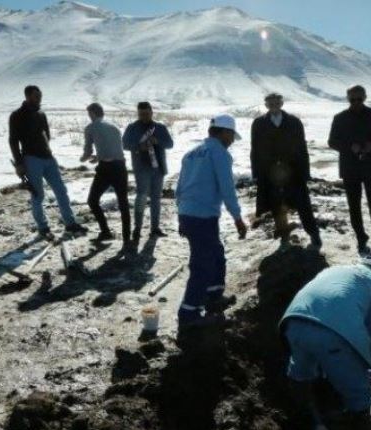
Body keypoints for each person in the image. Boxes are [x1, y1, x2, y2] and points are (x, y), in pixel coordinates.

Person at [279, 257, 371, 430]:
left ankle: (309, 422)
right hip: (331, 335)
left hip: (293, 324)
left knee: (301, 376)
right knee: (359, 394)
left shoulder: (333, 271)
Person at [175, 115, 247, 329]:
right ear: (224, 132)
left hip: (189, 214)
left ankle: (213, 296)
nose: (232, 140)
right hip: (202, 216)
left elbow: (180, 187)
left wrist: (181, 214)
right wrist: (237, 218)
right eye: (231, 135)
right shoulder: (219, 154)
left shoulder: (192, 153)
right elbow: (227, 188)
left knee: (216, 254)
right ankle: (189, 313)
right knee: (202, 265)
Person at [8, 85, 87, 241]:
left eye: (40, 95)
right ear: (28, 96)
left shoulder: (41, 114)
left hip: (48, 158)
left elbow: (47, 135)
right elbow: (13, 141)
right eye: (36, 96)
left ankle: (70, 223)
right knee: (38, 195)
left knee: (61, 190)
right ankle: (43, 228)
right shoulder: (17, 115)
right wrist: (19, 163)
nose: (39, 98)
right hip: (31, 159)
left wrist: (47, 149)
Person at [250, 93, 322, 250]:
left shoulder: (294, 121)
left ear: (281, 103)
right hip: (270, 173)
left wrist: (305, 172)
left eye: (277, 102)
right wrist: (257, 173)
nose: (274, 105)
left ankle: (314, 234)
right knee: (277, 205)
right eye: (270, 103)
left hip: (293, 171)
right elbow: (255, 149)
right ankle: (284, 236)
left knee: (303, 204)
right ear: (266, 105)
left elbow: (302, 147)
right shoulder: (259, 123)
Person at [328, 85, 371, 255]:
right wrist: (350, 147)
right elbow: (332, 141)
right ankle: (361, 238)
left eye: (359, 99)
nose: (356, 102)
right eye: (352, 99)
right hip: (350, 168)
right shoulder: (340, 118)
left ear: (365, 97)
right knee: (354, 206)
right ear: (348, 98)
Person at [122, 102, 174, 245]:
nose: (144, 117)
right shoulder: (132, 128)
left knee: (156, 198)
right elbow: (125, 144)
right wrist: (139, 147)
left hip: (158, 168)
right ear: (138, 114)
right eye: (141, 114)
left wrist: (157, 141)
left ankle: (155, 228)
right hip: (141, 168)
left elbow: (170, 144)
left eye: (146, 113)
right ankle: (137, 229)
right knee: (141, 197)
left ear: (152, 112)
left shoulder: (160, 127)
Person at [80, 103, 131, 247]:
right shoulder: (114, 127)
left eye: (89, 114)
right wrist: (99, 156)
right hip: (120, 166)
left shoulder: (90, 128)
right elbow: (113, 148)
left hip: (106, 169)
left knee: (92, 200)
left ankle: (105, 231)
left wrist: (84, 158)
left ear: (93, 113)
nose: (89, 117)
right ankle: (127, 238)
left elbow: (87, 153)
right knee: (123, 203)